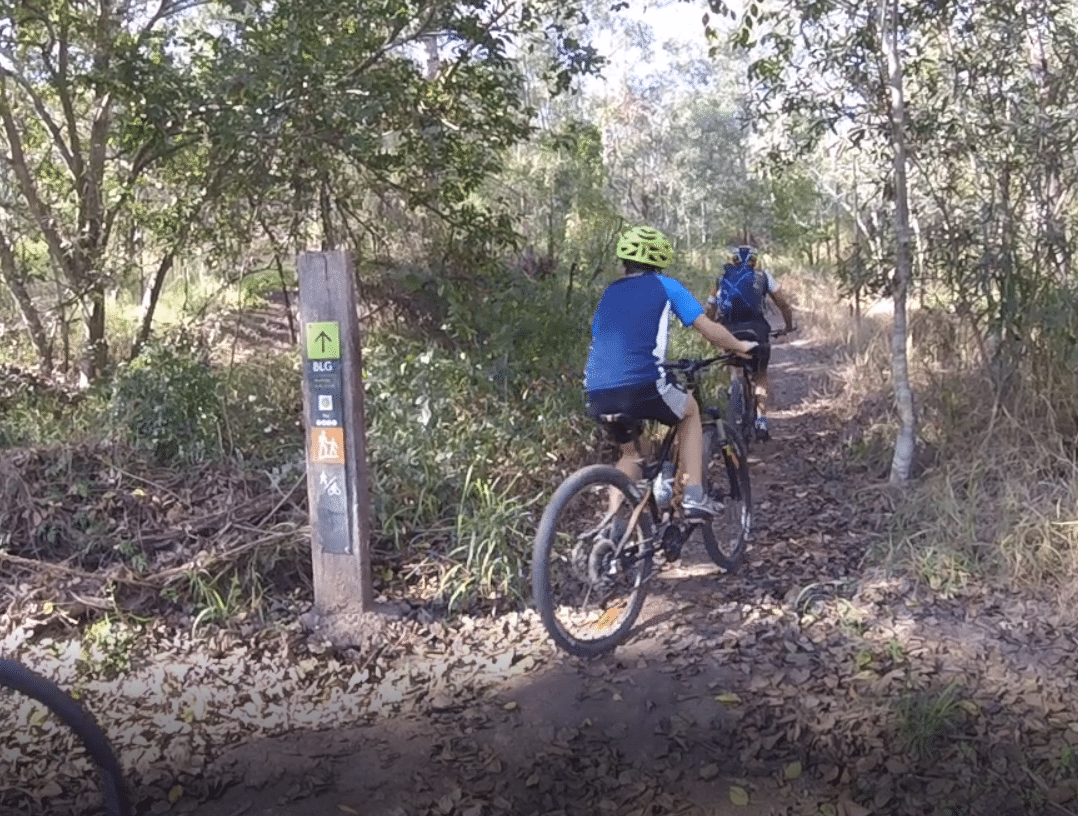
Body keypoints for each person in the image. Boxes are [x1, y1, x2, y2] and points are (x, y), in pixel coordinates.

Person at [583, 226, 757, 519]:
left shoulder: (609, 293)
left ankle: (610, 531)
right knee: (690, 411)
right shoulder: (666, 286)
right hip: (641, 384)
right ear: (659, 261)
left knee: (630, 455)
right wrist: (739, 346)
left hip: (596, 390)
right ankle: (694, 496)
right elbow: (708, 327)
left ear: (624, 262)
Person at [704, 245, 795, 440]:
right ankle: (761, 420)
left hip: (728, 331)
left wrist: (708, 329)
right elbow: (783, 304)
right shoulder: (763, 276)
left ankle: (734, 392)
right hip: (756, 330)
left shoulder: (721, 279)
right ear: (755, 261)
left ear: (733, 260)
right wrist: (788, 326)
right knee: (760, 374)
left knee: (734, 368)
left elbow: (710, 308)